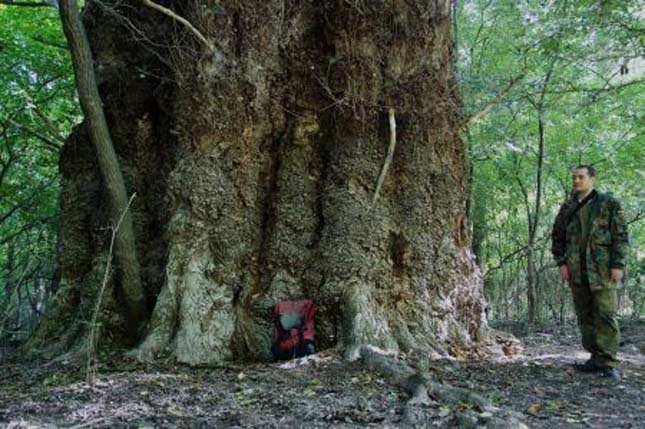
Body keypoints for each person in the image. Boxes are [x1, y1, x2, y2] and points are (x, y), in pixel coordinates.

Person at [551, 165, 629, 380]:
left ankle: (609, 362)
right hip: (577, 270)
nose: (577, 181)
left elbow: (620, 236)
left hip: (602, 269)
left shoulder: (608, 203)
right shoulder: (567, 207)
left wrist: (618, 264)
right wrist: (562, 263)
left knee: (605, 314)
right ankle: (595, 357)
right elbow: (557, 237)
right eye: (574, 177)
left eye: (581, 177)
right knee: (585, 314)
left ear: (592, 179)